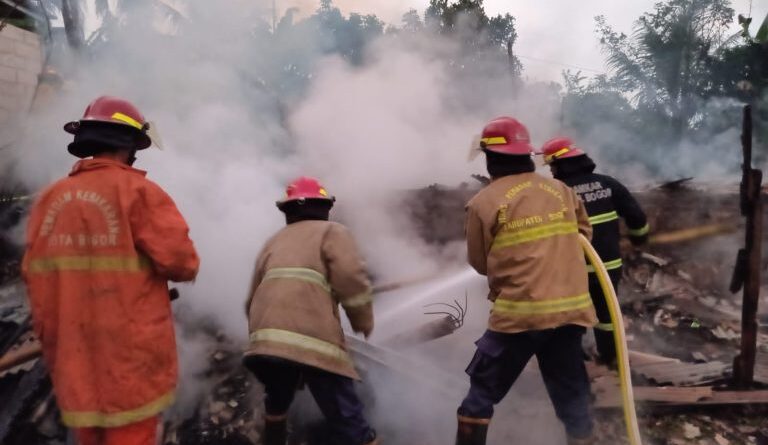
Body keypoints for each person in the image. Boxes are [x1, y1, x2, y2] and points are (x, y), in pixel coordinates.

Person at [22, 95, 200, 445]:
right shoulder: (139, 193)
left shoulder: (49, 199)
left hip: (72, 357)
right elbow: (183, 263)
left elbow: (34, 276)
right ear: (129, 144)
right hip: (129, 361)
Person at [457, 117, 597, 445]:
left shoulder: (483, 202)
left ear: (490, 158)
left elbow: (479, 263)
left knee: (480, 397)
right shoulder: (562, 191)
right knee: (572, 397)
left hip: (520, 316)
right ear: (526, 155)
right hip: (571, 313)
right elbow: (583, 238)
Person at [243, 176, 378, 445]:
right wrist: (363, 321)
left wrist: (265, 338)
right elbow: (351, 280)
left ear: (288, 211)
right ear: (325, 207)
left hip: (265, 342)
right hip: (313, 340)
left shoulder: (273, 241)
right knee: (346, 415)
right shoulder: (334, 232)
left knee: (277, 401)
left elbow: (252, 299)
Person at [539, 137, 649, 366]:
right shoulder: (608, 184)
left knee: (569, 314)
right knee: (606, 315)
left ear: (559, 164)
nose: (551, 171)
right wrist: (639, 239)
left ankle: (573, 358)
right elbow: (637, 217)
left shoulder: (553, 192)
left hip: (572, 271)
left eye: (551, 166)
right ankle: (610, 357)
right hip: (608, 267)